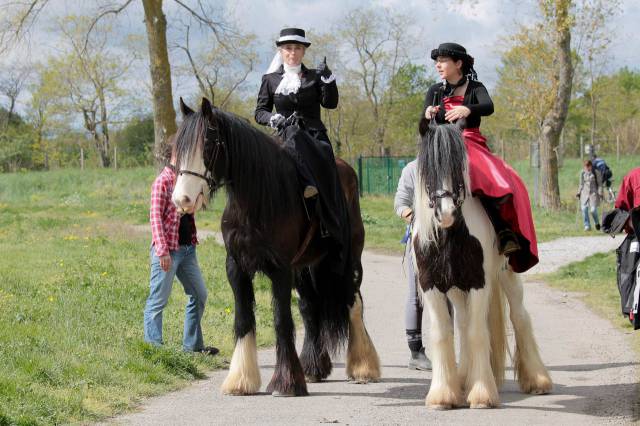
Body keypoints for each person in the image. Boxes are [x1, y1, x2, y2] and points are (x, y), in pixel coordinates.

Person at [420, 42, 538, 273]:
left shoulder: (475, 87)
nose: (438, 65)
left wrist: (468, 109)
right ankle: (420, 227)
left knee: (496, 181)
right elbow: (425, 119)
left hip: (469, 141)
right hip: (441, 144)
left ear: (458, 63)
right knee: (420, 173)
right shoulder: (435, 90)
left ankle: (503, 231)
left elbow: (489, 106)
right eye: (437, 61)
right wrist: (428, 113)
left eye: (442, 60)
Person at [143, 139, 218, 355]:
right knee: (158, 300)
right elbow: (154, 218)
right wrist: (162, 251)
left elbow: (189, 210)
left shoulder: (185, 181)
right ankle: (155, 351)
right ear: (175, 155)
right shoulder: (162, 182)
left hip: (187, 250)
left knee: (199, 294)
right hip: (168, 251)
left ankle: (192, 347)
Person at [255, 27, 338, 200]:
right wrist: (272, 118)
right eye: (288, 48)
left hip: (314, 135)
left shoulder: (315, 76)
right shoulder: (269, 79)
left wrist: (328, 80)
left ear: (304, 51)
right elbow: (260, 112)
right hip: (283, 135)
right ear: (281, 50)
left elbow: (330, 104)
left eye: (297, 48)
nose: (292, 52)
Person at [394, 159, 431, 370]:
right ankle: (416, 352)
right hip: (419, 241)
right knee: (415, 296)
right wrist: (411, 215)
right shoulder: (412, 169)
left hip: (448, 242)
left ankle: (448, 350)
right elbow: (400, 202)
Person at [576, 160, 602, 231]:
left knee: (593, 210)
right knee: (584, 209)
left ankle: (597, 223)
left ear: (591, 166)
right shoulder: (582, 173)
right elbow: (581, 184)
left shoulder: (596, 173)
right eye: (586, 166)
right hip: (584, 194)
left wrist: (600, 193)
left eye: (588, 166)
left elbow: (600, 184)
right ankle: (587, 225)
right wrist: (578, 192)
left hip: (593, 194)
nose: (587, 168)